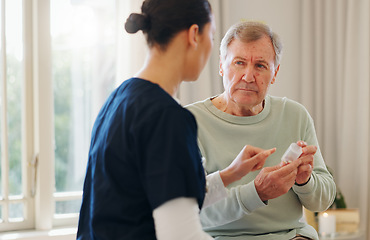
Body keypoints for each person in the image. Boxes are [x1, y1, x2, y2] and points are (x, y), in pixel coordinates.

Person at [76, 2, 276, 240]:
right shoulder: (166, 117)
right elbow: (181, 234)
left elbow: (160, 194)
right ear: (194, 35)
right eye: (211, 36)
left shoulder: (119, 99)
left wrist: (231, 173)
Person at [185, 21, 337, 240]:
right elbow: (193, 211)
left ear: (274, 73)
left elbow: (322, 201)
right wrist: (256, 193)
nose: (248, 76)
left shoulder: (295, 114)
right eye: (239, 63)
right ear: (221, 66)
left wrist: (305, 180)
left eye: (260, 66)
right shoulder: (190, 121)